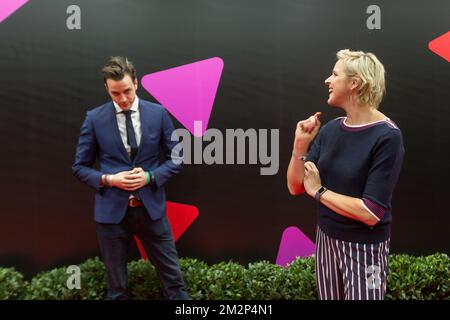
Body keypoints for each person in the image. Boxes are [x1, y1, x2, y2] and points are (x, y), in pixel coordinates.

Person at [287, 49, 405, 300]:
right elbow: (296, 186)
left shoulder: (387, 136)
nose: (327, 81)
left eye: (334, 74)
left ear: (354, 83)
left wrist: (320, 191)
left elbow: (371, 213)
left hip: (366, 249)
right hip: (326, 239)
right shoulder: (331, 130)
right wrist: (300, 146)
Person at [72, 56, 189, 300]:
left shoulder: (158, 114)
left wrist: (150, 176)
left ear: (136, 83)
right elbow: (80, 167)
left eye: (126, 91)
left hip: (151, 211)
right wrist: (109, 179)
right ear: (107, 89)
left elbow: (177, 159)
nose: (123, 99)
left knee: (174, 284)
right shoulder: (94, 118)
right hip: (111, 215)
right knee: (117, 290)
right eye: (115, 94)